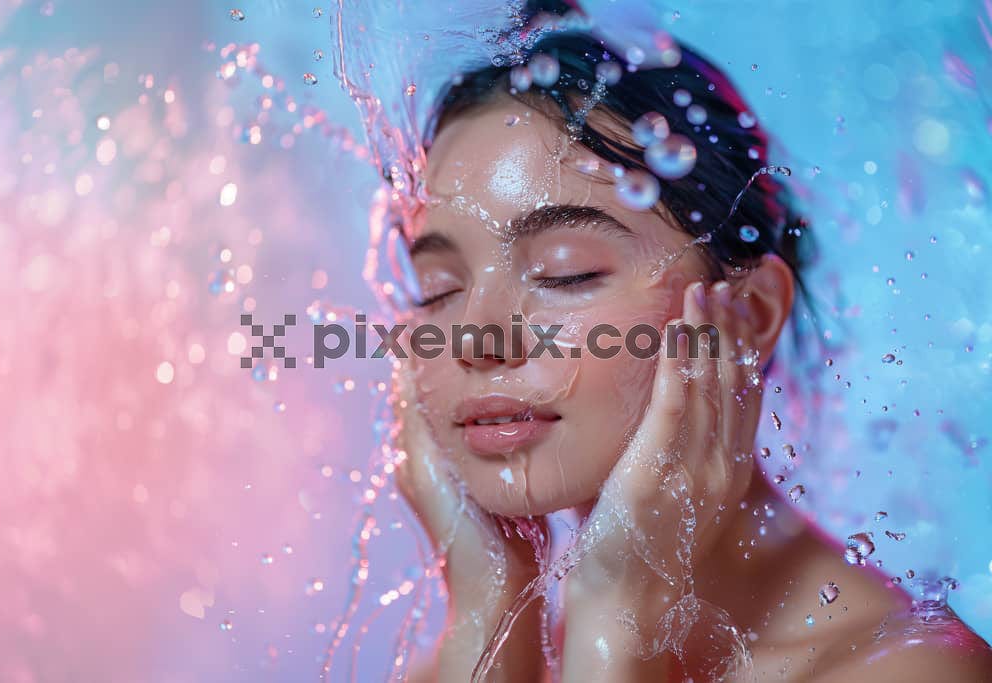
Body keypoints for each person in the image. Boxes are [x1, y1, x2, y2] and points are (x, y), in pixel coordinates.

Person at [386, 4, 992, 681]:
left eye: (566, 272)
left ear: (750, 314)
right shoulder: (490, 653)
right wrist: (488, 605)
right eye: (438, 288)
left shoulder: (912, 669)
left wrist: (619, 630)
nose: (475, 336)